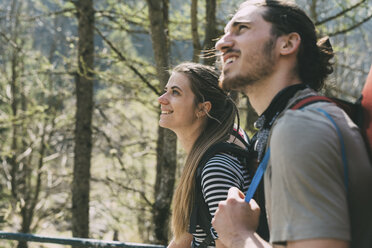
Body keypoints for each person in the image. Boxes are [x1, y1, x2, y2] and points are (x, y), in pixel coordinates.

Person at [211, 0, 372, 248]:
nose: (222, 43)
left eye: (241, 29)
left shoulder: (301, 126)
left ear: (287, 44)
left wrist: (238, 235)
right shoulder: (298, 119)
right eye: (225, 32)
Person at [159, 62, 252, 248]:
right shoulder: (202, 159)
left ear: (202, 109)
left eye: (175, 92)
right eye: (166, 90)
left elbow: (227, 243)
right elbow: (183, 240)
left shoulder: (216, 168)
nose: (162, 98)